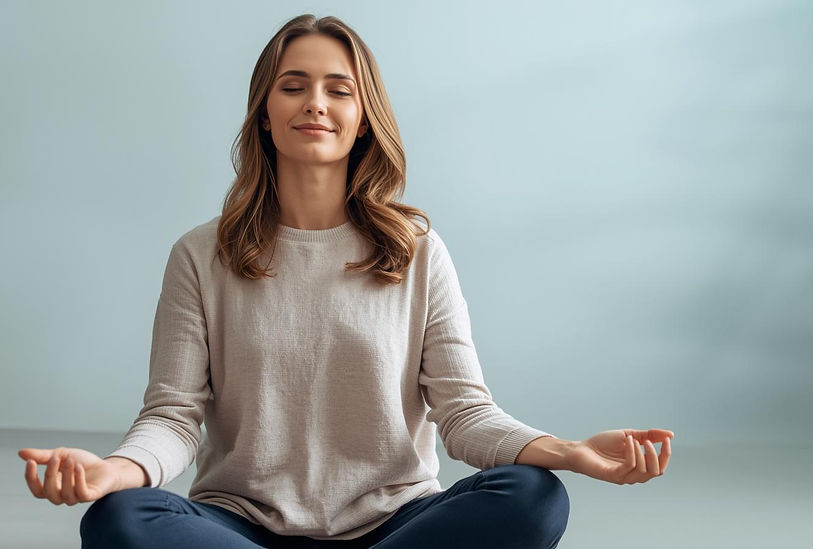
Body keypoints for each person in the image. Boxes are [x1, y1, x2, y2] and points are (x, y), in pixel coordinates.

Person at [17, 13, 674, 549]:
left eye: (339, 88)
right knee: (120, 519)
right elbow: (173, 417)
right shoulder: (200, 255)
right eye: (293, 85)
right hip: (240, 526)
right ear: (264, 112)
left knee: (533, 495)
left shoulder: (417, 251)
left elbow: (466, 414)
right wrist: (115, 471)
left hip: (396, 525)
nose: (316, 104)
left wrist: (571, 450)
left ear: (364, 117)